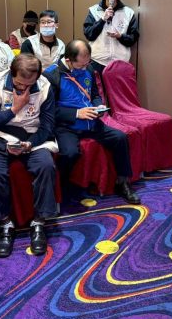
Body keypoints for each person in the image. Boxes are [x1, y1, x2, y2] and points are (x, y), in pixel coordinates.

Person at [0, 54, 58, 257]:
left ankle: (39, 222)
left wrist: (30, 144)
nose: (23, 89)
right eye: (18, 84)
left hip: (32, 137)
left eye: (29, 85)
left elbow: (47, 126)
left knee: (46, 165)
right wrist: (15, 108)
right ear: (11, 73)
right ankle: (4, 224)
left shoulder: (45, 87)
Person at [44, 39, 141, 204]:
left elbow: (94, 94)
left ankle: (123, 182)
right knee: (69, 153)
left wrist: (98, 105)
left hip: (91, 121)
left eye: (87, 63)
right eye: (81, 65)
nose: (85, 67)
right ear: (68, 60)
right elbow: (49, 110)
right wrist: (77, 113)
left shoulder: (88, 67)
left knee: (120, 138)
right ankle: (61, 189)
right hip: (67, 126)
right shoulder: (52, 75)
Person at [83, 0, 139, 74]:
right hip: (97, 61)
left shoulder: (128, 12)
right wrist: (102, 19)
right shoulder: (94, 11)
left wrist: (120, 36)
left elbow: (133, 38)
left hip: (120, 62)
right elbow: (89, 35)